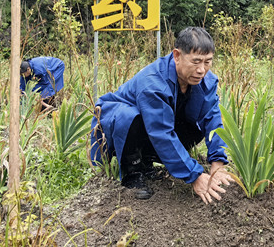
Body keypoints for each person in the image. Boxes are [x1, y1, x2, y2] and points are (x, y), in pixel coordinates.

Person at [90, 27, 233, 203]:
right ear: (177, 56)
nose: (201, 70)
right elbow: (160, 132)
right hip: (121, 125)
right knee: (130, 116)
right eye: (196, 62)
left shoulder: (206, 80)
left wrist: (218, 163)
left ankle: (147, 161)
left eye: (207, 62)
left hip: (154, 126)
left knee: (196, 123)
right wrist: (195, 175)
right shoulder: (153, 82)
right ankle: (132, 169)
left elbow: (212, 118)